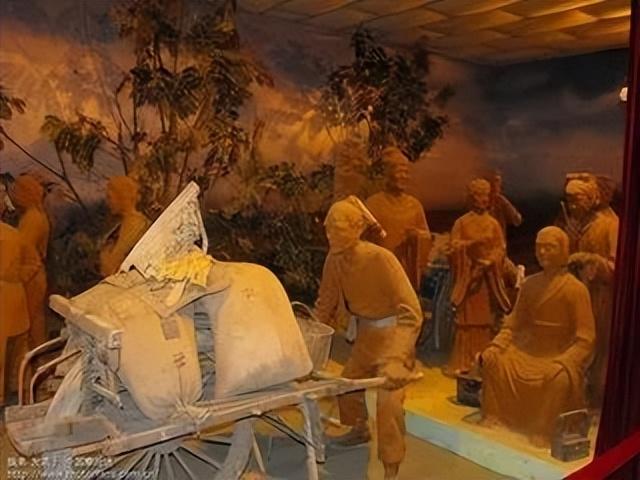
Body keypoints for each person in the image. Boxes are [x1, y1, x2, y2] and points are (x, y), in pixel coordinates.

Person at [314, 196, 423, 480]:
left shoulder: (381, 259)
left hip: (392, 337)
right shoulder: (334, 260)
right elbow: (325, 304)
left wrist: (398, 358)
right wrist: (309, 341)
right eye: (327, 229)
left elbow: (411, 312)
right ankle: (359, 428)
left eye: (337, 228)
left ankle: (391, 465)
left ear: (357, 228)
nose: (330, 235)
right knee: (346, 384)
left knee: (388, 404)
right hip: (365, 337)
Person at [480, 227, 595, 447]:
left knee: (558, 378)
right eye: (539, 247)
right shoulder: (530, 284)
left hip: (557, 352)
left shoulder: (576, 290)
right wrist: (496, 345)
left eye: (549, 247)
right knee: (493, 360)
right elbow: (513, 324)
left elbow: (586, 339)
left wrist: (565, 361)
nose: (542, 252)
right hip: (528, 349)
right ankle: (494, 415)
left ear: (563, 250)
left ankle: (542, 428)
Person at [557, 177, 618, 406]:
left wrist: (591, 260)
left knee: (598, 347)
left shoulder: (610, 225)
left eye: (577, 200)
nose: (572, 206)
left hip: (601, 298)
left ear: (592, 198)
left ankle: (597, 398)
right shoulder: (579, 224)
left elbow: (617, 267)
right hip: (578, 296)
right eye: (569, 201)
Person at [447, 179, 511, 374]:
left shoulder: (493, 224)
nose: (482, 199)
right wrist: (471, 244)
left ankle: (484, 359)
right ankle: (462, 361)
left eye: (485, 195)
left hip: (486, 279)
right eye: (478, 195)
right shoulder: (461, 222)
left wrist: (490, 262)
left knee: (485, 319)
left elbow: (500, 249)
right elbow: (453, 247)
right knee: (466, 320)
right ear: (471, 198)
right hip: (468, 277)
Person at [365, 146, 431, 290]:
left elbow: (426, 237)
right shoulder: (373, 204)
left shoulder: (414, 206)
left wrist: (417, 236)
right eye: (399, 171)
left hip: (406, 271)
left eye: (406, 172)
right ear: (387, 173)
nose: (404, 176)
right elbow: (362, 242)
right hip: (380, 271)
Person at [0, 186, 41, 406]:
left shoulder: (12, 234)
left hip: (12, 300)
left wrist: (15, 276)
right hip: (11, 299)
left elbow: (33, 262)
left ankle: (18, 396)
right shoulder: (13, 233)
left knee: (15, 351)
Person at [11, 174, 50, 346]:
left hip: (31, 275)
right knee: (35, 320)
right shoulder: (35, 215)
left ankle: (32, 356)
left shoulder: (33, 218)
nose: (14, 196)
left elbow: (23, 248)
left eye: (18, 191)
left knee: (30, 321)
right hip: (34, 273)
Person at [99, 176, 150, 277]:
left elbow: (113, 264)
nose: (108, 202)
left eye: (110, 197)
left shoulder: (137, 224)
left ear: (121, 197)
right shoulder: (123, 224)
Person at [487, 171, 522, 239]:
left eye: (498, 183)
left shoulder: (501, 202)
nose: (496, 186)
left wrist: (506, 203)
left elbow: (517, 220)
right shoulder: (479, 205)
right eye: (494, 182)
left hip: (499, 242)